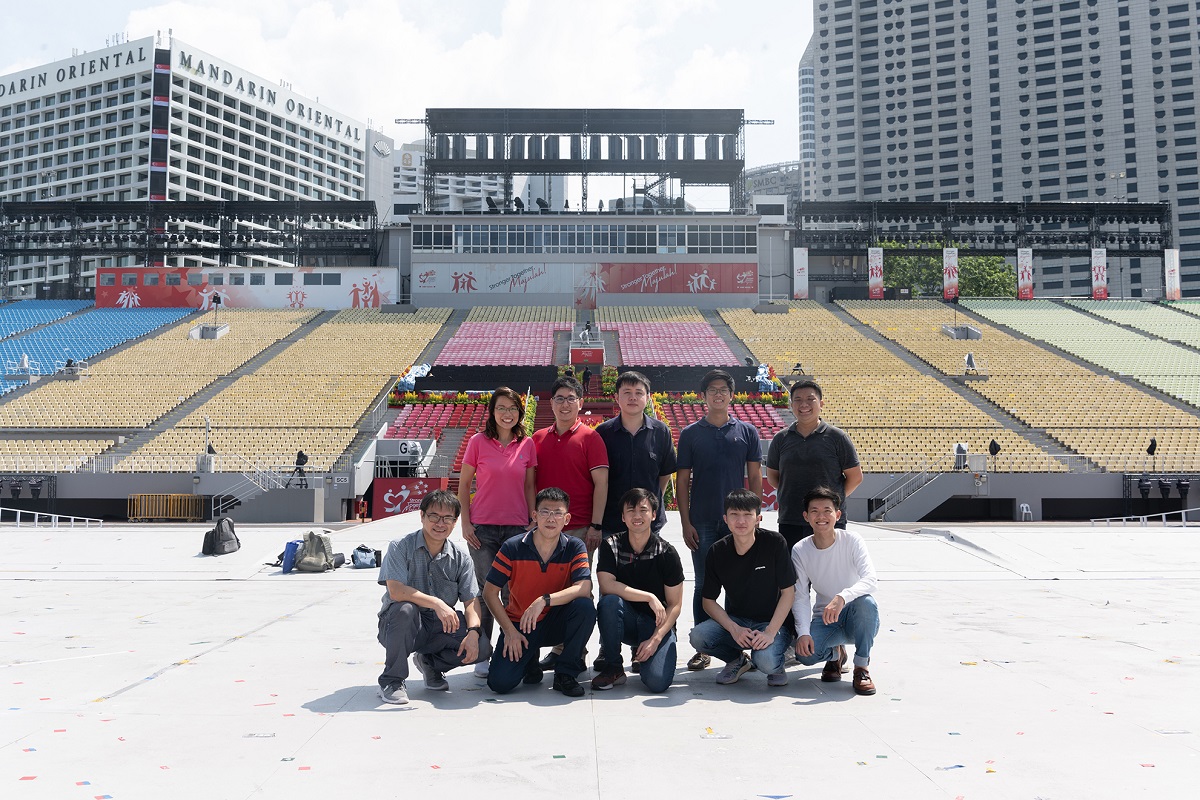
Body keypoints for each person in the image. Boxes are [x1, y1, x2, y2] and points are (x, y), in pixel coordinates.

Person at [677, 368, 763, 672]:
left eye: (723, 390)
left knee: (743, 583)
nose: (718, 394)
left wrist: (754, 514)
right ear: (703, 396)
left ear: (731, 395)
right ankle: (705, 648)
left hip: (739, 521)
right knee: (704, 585)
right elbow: (683, 481)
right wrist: (685, 522)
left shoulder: (747, 432)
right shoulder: (690, 434)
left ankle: (743, 640)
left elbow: (754, 475)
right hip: (702, 522)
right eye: (712, 390)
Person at [375, 490, 492, 705]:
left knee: (483, 647)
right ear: (422, 516)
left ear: (455, 522)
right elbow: (396, 591)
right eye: (434, 516)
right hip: (401, 625)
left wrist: (474, 632)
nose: (441, 523)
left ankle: (430, 663)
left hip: (439, 627)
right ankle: (392, 680)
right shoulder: (400, 546)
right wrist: (437, 602)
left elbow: (471, 602)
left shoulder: (461, 559)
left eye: (448, 518)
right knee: (405, 609)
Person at [594, 370, 677, 670]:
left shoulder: (661, 432)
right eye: (626, 392)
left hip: (648, 524)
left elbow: (664, 476)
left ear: (647, 397)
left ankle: (645, 643)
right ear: (616, 397)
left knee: (649, 584)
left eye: (638, 392)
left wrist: (649, 510)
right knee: (610, 589)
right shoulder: (602, 433)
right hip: (613, 524)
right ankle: (609, 649)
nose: (632, 397)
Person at [482, 487, 596, 698]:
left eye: (558, 513)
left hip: (555, 620)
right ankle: (529, 661)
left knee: (585, 607)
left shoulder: (574, 546)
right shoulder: (512, 547)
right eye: (545, 511)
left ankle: (565, 673)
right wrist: (509, 631)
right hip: (521, 623)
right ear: (534, 515)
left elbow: (584, 587)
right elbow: (490, 592)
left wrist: (544, 601)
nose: (551, 518)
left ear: (567, 518)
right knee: (500, 683)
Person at [458, 387, 538, 678]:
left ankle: (511, 648)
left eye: (513, 408)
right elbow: (464, 485)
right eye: (501, 407)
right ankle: (481, 650)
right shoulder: (478, 442)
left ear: (519, 412)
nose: (508, 413)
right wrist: (465, 523)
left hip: (517, 528)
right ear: (492, 412)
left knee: (512, 592)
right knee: (484, 590)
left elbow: (530, 486)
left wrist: (532, 519)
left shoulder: (526, 444)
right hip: (483, 529)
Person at [533, 375, 609, 670]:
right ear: (551, 403)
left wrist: (596, 525)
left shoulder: (591, 438)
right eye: (559, 399)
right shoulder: (538, 439)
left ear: (581, 403)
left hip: (579, 529)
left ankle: (573, 652)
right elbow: (531, 483)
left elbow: (601, 485)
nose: (565, 404)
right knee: (552, 588)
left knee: (579, 591)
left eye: (571, 398)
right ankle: (557, 648)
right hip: (545, 530)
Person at [688, 489, 795, 687]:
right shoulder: (717, 551)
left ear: (758, 518)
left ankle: (776, 660)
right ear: (725, 519)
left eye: (748, 515)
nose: (741, 521)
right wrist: (734, 628)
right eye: (734, 515)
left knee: (767, 662)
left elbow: (789, 593)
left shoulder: (774, 543)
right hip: (738, 621)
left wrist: (770, 632)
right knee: (699, 636)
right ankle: (737, 660)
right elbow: (708, 601)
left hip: (771, 622)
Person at [592, 488, 684, 693]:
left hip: (656, 623)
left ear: (653, 515)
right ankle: (613, 667)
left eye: (643, 510)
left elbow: (675, 605)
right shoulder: (611, 545)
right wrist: (649, 597)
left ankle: (645, 655)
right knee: (609, 602)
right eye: (631, 510)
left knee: (657, 683)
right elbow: (606, 585)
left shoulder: (666, 552)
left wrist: (655, 639)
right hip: (626, 621)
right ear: (623, 517)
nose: (637, 516)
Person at [791, 486, 880, 696]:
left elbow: (871, 579)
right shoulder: (800, 550)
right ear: (806, 516)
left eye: (827, 510)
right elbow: (801, 596)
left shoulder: (852, 540)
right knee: (805, 656)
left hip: (856, 616)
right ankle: (835, 655)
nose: (821, 516)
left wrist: (842, 597)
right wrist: (803, 633)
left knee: (867, 602)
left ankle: (861, 667)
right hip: (826, 618)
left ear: (837, 514)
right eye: (814, 511)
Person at [765, 379, 862, 550]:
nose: (804, 405)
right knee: (794, 573)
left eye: (810, 399)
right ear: (791, 404)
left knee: (828, 572)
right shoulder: (781, 439)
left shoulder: (837, 437)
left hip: (827, 520)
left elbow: (855, 477)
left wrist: (831, 500)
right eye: (798, 400)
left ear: (821, 403)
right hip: (791, 518)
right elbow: (773, 477)